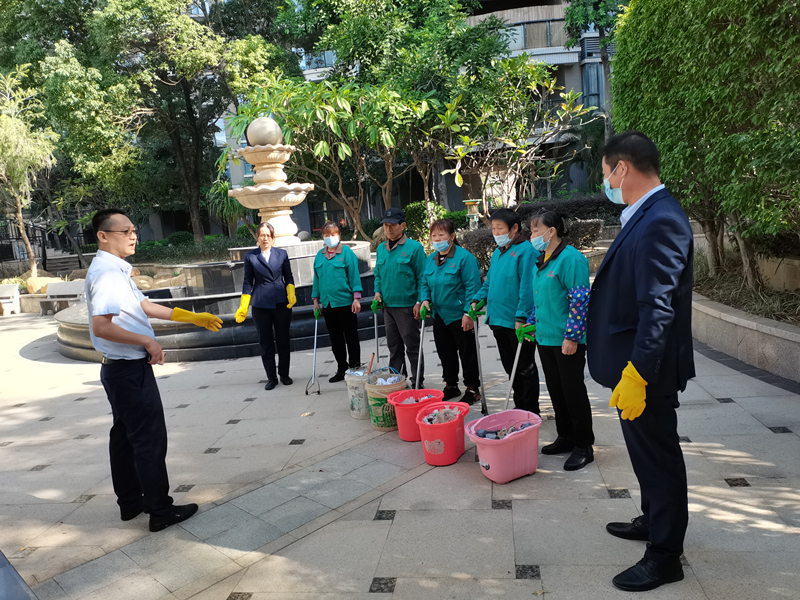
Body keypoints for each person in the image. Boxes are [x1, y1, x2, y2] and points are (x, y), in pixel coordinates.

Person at [587, 130, 695, 592]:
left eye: (606, 173)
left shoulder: (661, 220)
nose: (606, 183)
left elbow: (658, 308)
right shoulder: (646, 213)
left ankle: (666, 556)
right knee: (644, 455)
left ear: (622, 168)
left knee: (659, 459)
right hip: (631, 366)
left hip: (646, 371)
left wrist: (638, 374)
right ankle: (653, 520)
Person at [85, 208, 223, 532]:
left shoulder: (115, 270)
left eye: (134, 230)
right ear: (103, 236)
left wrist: (191, 316)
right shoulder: (106, 273)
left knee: (124, 437)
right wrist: (147, 340)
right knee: (149, 439)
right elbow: (101, 326)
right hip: (129, 371)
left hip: (120, 372)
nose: (133, 236)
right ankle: (160, 510)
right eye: (125, 231)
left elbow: (143, 306)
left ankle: (130, 503)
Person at [524, 211, 594, 471]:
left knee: (573, 391)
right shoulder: (542, 259)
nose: (531, 236)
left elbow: (580, 300)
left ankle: (584, 446)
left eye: (535, 230)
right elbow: (540, 297)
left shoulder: (571, 259)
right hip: (545, 337)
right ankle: (565, 436)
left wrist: (572, 336)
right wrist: (532, 321)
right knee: (556, 389)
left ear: (551, 231)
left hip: (566, 339)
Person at [471, 208, 539, 413]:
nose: (496, 232)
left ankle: (530, 409)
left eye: (499, 228)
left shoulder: (527, 251)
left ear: (514, 228)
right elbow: (489, 282)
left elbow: (527, 287)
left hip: (517, 321)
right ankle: (520, 405)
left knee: (524, 367)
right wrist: (477, 299)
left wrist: (522, 316)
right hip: (497, 319)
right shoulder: (498, 253)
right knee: (510, 366)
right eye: (493, 228)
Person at [419, 219, 483, 404]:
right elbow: (424, 283)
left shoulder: (465, 258)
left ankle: (472, 389)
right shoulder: (430, 260)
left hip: (460, 315)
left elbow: (472, 286)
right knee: (445, 352)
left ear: (452, 236)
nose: (437, 239)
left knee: (467, 353)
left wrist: (468, 313)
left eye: (442, 235)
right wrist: (425, 299)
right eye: (434, 236)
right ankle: (451, 385)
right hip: (439, 315)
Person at [235, 222, 296, 391]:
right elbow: (248, 282)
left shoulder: (282, 254)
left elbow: (288, 276)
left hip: (281, 302)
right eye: (262, 235)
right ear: (257, 236)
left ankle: (284, 374)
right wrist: (243, 306)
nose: (265, 238)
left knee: (283, 339)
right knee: (265, 342)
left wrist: (291, 292)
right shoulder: (251, 257)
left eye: (268, 235)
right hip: (260, 304)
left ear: (273, 237)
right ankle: (271, 377)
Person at [373, 207, 427, 387]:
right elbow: (378, 274)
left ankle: (417, 381)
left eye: (392, 225)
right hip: (388, 307)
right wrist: (377, 292)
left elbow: (422, 277)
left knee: (412, 346)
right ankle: (397, 381)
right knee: (394, 347)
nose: (388, 229)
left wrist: (419, 301)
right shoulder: (381, 248)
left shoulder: (414, 248)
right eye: (385, 225)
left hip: (407, 307)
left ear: (402, 226)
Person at [311, 221, 363, 382]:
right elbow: (316, 280)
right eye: (326, 235)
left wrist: (356, 298)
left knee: (351, 336)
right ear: (322, 237)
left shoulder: (347, 253)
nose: (330, 237)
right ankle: (342, 368)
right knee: (335, 339)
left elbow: (354, 276)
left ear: (339, 235)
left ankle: (355, 367)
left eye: (333, 234)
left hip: (346, 303)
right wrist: (315, 301)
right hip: (328, 304)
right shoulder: (320, 256)